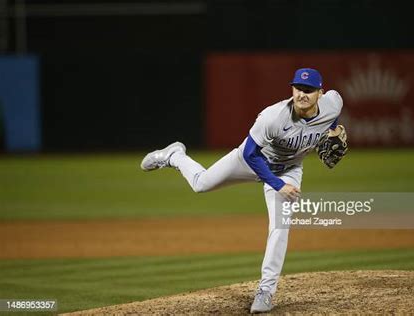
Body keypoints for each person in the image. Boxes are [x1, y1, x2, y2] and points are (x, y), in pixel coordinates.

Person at [141, 68, 346, 313]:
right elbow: (251, 154)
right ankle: (174, 155)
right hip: (251, 161)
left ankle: (266, 291)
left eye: (309, 90)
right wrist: (277, 184)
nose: (302, 94)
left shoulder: (333, 103)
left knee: (280, 227)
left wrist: (333, 129)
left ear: (320, 93)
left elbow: (332, 117)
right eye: (298, 89)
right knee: (201, 184)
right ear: (292, 89)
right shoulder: (273, 117)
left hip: (289, 169)